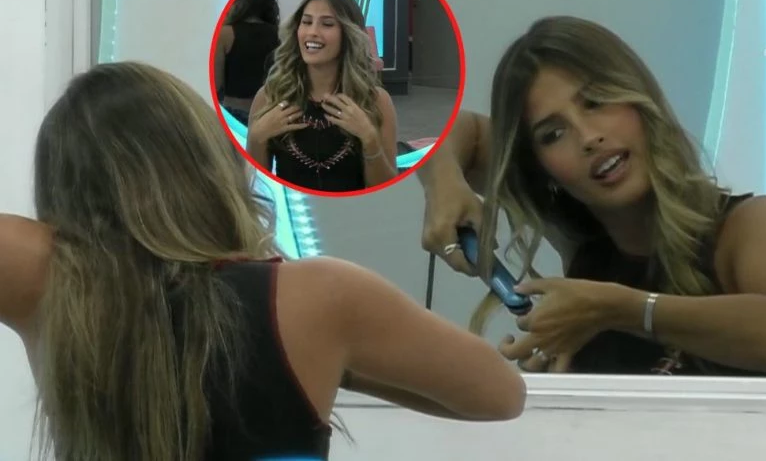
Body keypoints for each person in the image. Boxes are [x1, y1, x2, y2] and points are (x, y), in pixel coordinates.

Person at [0, 62, 526, 461]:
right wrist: (338, 356)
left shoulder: (48, 283)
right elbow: (501, 393)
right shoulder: (319, 299)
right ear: (210, 163)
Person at [417, 16, 766, 377]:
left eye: (596, 102)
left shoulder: (752, 224)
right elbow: (459, 132)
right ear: (541, 167)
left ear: (638, 95)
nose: (588, 137)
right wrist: (445, 187)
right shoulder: (583, 237)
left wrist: (618, 309)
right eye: (553, 134)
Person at [246, 0, 398, 193]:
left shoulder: (376, 101)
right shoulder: (269, 97)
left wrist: (370, 139)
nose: (312, 32)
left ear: (348, 34)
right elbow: (255, 190)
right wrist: (257, 138)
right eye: (306, 22)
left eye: (327, 24)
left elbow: (386, 191)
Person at [214, 0, 281, 126]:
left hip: (233, 113)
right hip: (267, 114)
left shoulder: (225, 34)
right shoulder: (280, 35)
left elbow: (216, 85)